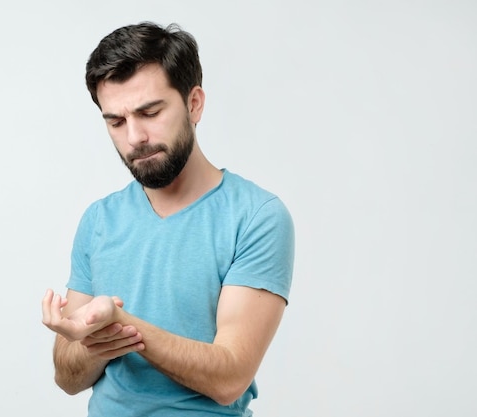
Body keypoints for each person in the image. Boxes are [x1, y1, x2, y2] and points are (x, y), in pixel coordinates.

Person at [41, 22, 295, 416]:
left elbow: (229, 378)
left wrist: (121, 326)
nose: (134, 137)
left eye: (150, 112)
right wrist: (90, 342)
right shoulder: (99, 220)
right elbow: (68, 378)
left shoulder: (256, 217)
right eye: (116, 121)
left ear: (194, 103)